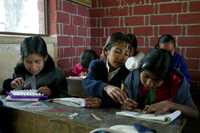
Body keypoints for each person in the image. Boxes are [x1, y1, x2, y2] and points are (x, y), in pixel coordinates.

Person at [123, 48, 199, 118]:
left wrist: (169, 105)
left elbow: (195, 113)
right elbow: (123, 103)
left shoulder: (177, 81)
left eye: (157, 80)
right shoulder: (132, 78)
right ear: (140, 70)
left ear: (166, 78)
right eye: (146, 76)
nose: (149, 83)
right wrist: (124, 105)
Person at [2, 35, 68, 98]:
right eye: (28, 62)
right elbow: (5, 93)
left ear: (45, 57)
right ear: (22, 60)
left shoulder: (57, 75)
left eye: (37, 61)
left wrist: (51, 93)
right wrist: (10, 85)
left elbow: (65, 97)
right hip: (22, 108)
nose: (33, 67)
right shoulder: (20, 72)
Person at [82, 32, 130, 107]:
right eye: (117, 52)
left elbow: (123, 100)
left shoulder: (127, 73)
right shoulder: (97, 64)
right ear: (106, 51)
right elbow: (87, 83)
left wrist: (102, 103)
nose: (121, 57)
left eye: (126, 54)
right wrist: (105, 87)